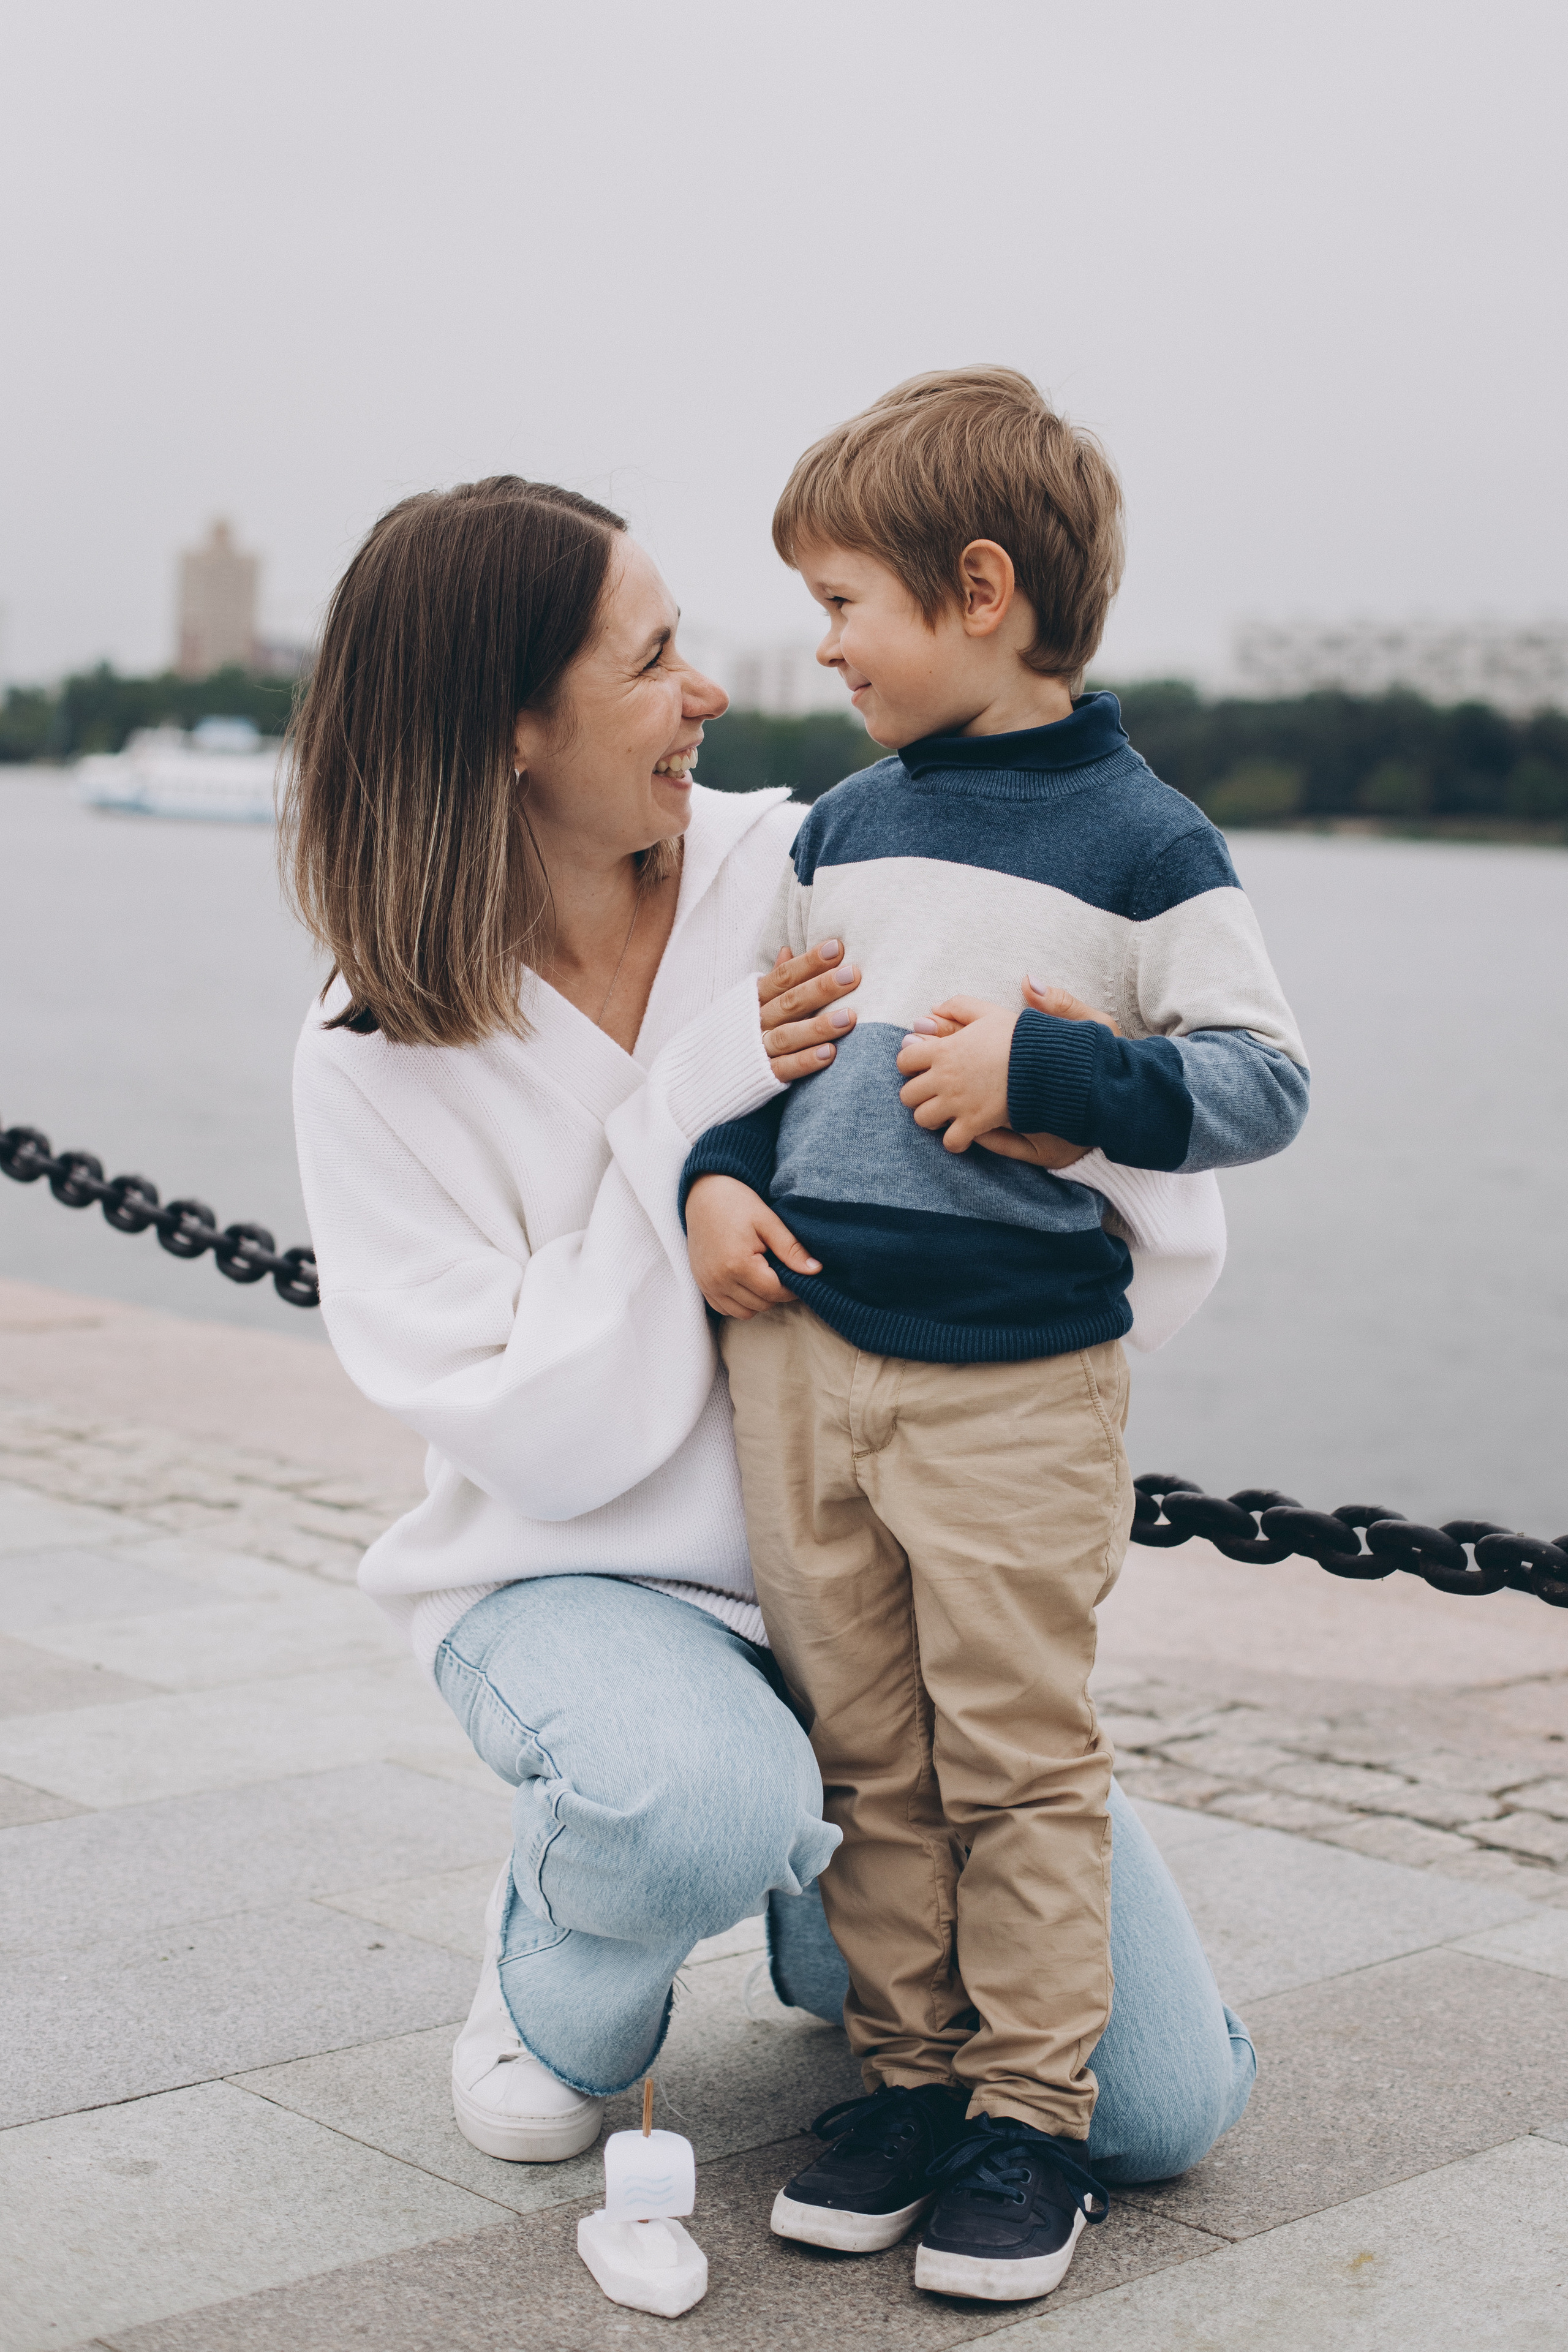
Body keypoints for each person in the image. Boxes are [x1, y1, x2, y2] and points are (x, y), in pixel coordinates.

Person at [283, 469, 1255, 2237]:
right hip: (583, 1580)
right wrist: (688, 1120)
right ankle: (578, 1950)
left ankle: (846, 1911)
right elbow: (549, 1439)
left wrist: (1066, 1114)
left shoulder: (828, 864)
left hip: (895, 1572)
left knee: (1160, 2111)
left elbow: (1158, 1237)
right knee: (696, 1800)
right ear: (509, 729)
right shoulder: (368, 1054)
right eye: (656, 660)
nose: (714, 691)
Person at [682, 368, 1309, 2302]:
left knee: (1015, 1762)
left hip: (1014, 1384)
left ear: (978, 589)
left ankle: (1031, 2118)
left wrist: (1060, 1069)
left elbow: (1261, 1082)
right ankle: (907, 2077)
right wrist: (716, 1168)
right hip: (806, 1363)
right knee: (869, 1757)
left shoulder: (1146, 843)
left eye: (846, 601)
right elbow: (773, 1062)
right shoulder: (846, 823)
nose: (821, 640)